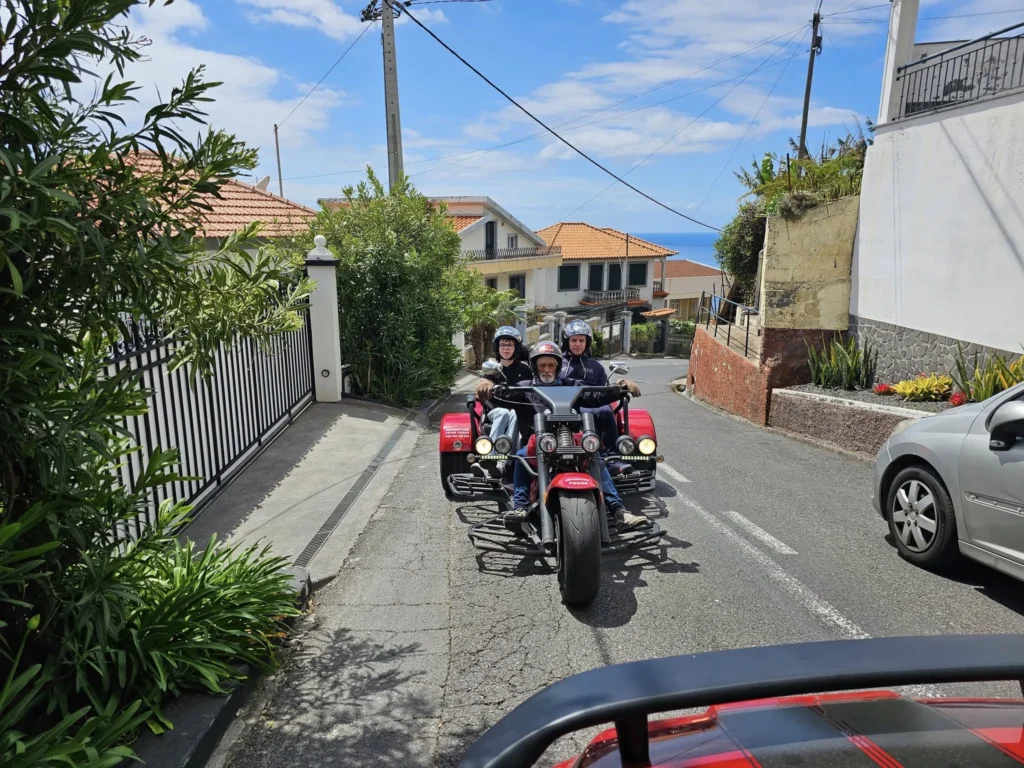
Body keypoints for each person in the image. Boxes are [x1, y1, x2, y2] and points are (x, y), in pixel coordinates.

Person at [478, 340, 648, 530]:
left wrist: (621, 386)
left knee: (595, 457)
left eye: (551, 365)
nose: (547, 369)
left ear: (558, 367)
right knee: (521, 457)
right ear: (534, 367)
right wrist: (488, 384)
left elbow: (596, 396)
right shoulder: (524, 388)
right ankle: (520, 507)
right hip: (536, 444)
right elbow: (503, 397)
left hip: (571, 441)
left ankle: (619, 512)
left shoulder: (572, 385)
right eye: (542, 365)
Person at [560, 319, 639, 476]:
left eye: (581, 340)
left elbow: (603, 392)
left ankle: (612, 459)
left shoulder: (596, 367)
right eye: (574, 340)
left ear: (587, 343)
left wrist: (621, 384)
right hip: (566, 406)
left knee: (605, 411)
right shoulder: (557, 364)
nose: (577, 344)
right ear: (567, 342)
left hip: (593, 404)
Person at [472, 326, 532, 478]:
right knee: (503, 412)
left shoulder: (525, 369)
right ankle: (489, 460)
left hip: (516, 410)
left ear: (516, 347)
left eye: (510, 344)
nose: (506, 348)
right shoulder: (491, 368)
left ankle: (501, 464)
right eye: (503, 344)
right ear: (497, 347)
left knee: (513, 414)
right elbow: (483, 390)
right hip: (494, 410)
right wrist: (485, 385)